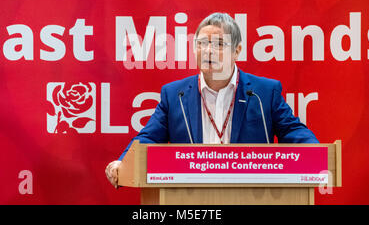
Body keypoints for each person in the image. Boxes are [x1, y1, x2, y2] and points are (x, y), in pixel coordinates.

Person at [105, 13, 318, 188]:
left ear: (237, 51)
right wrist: (123, 164)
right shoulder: (175, 94)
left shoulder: (264, 92)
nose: (208, 51)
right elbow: (148, 138)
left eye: (218, 44)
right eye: (202, 44)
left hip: (253, 194)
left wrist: (317, 155)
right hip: (190, 200)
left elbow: (292, 131)